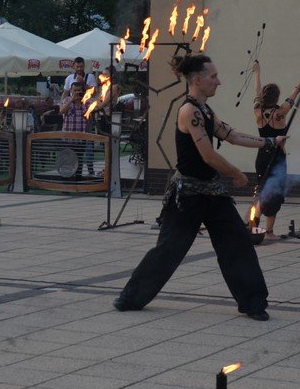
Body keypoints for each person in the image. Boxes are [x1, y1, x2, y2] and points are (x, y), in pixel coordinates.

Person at [113, 54, 280, 321]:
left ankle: (253, 303)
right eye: (213, 77)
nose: (218, 82)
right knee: (169, 249)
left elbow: (232, 135)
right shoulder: (189, 111)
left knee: (237, 242)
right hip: (188, 195)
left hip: (212, 192)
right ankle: (130, 298)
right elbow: (208, 155)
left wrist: (270, 142)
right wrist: (236, 173)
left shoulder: (206, 111)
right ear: (198, 80)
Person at [248, 61, 300, 244]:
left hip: (262, 157)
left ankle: (252, 226)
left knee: (261, 190)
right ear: (276, 98)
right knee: (274, 192)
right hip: (277, 158)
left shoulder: (258, 111)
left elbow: (256, 92)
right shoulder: (281, 112)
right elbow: (296, 91)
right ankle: (269, 231)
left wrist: (257, 73)